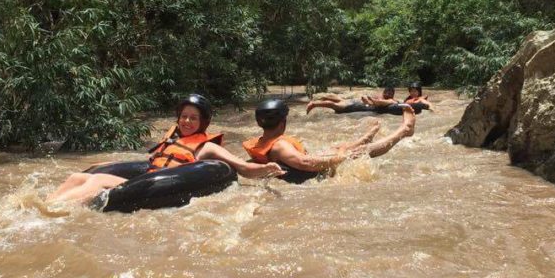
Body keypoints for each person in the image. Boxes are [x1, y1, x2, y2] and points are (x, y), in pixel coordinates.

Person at [48, 94, 283, 204]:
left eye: (193, 118)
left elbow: (242, 167)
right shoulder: (171, 139)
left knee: (96, 181)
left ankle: (55, 208)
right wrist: (103, 164)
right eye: (184, 117)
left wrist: (267, 169)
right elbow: (150, 162)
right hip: (146, 178)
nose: (187, 122)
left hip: (153, 186)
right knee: (76, 175)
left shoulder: (207, 146)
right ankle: (46, 201)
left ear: (203, 122)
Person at [244, 97, 414, 183]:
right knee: (360, 152)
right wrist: (340, 158)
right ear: (283, 122)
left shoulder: (261, 141)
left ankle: (366, 136)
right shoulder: (280, 146)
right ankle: (404, 130)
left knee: (340, 146)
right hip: (316, 173)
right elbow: (304, 162)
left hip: (304, 169)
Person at [305, 85, 396, 114]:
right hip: (355, 105)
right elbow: (378, 103)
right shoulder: (390, 100)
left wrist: (369, 100)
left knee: (338, 100)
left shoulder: (381, 97)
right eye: (387, 93)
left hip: (355, 102)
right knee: (334, 105)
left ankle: (318, 100)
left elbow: (377, 102)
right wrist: (369, 101)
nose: (387, 94)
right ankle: (314, 104)